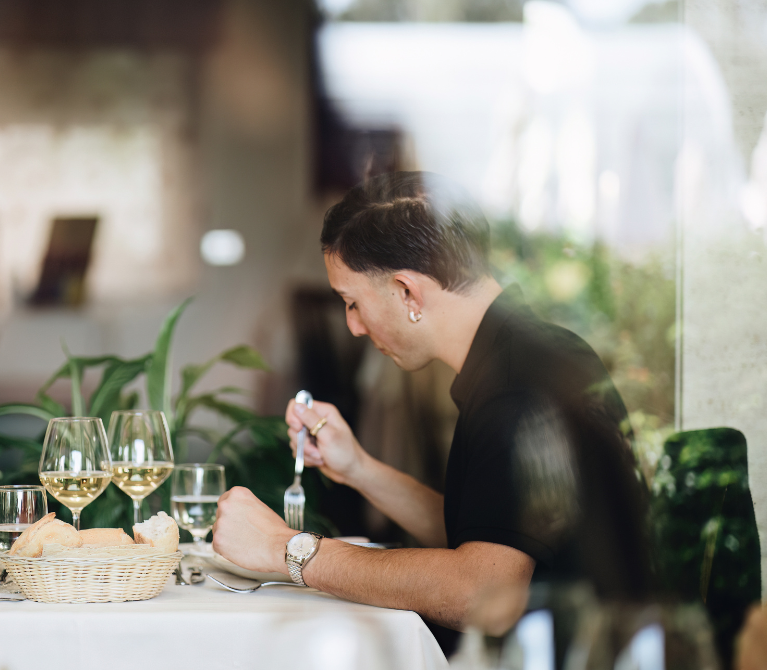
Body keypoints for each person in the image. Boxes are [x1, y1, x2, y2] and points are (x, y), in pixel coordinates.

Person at [212, 172, 648, 646]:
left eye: (352, 302)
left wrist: (285, 547)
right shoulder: (527, 354)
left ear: (408, 292)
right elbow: (489, 535)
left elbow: (477, 591)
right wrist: (358, 468)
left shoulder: (515, 388)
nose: (353, 326)